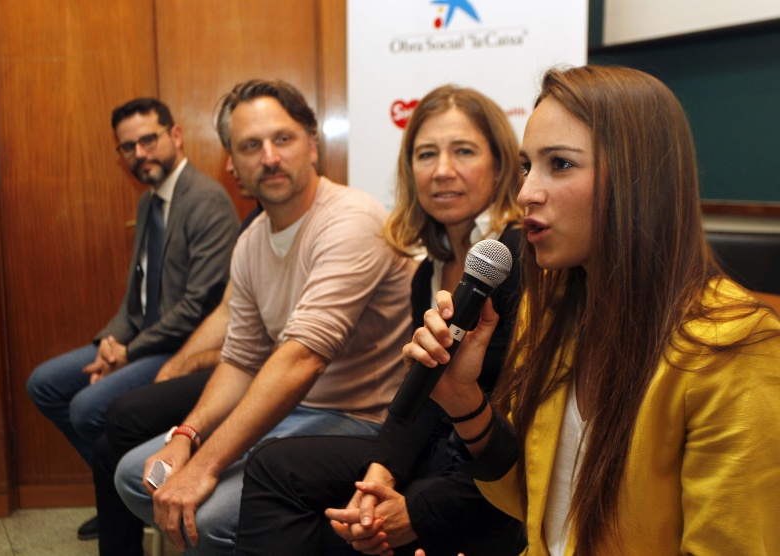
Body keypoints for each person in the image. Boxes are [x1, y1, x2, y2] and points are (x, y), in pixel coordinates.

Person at [406, 65, 780, 555]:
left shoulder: (733, 347)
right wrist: (462, 398)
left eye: (560, 164)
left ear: (639, 177)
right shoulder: (554, 313)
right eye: (526, 167)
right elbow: (535, 503)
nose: (526, 193)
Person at [114, 79, 414, 556]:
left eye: (283, 139)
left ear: (311, 146)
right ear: (232, 163)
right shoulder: (251, 241)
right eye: (251, 146)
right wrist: (187, 435)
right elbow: (240, 359)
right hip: (295, 412)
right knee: (136, 474)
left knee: (206, 514)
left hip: (363, 421)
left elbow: (303, 359)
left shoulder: (351, 219)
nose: (269, 157)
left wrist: (204, 467)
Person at [235, 85, 527, 556]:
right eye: (426, 154)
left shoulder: (519, 258)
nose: (442, 170)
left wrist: (417, 511)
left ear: (500, 164)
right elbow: (421, 396)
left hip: (494, 475)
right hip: (435, 452)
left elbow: (528, 440)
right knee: (276, 465)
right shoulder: (426, 272)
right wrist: (379, 475)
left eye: (463, 151)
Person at [26, 97, 239, 490]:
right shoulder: (148, 202)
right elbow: (136, 297)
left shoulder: (206, 200)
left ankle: (131, 493)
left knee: (86, 408)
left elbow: (197, 307)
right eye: (128, 147)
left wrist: (128, 352)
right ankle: (118, 493)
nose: (139, 154)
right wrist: (109, 344)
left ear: (176, 135)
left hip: (182, 346)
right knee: (44, 383)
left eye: (148, 140)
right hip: (140, 340)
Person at [90, 162, 263, 555]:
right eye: (243, 148)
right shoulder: (255, 228)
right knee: (107, 450)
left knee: (120, 414)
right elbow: (227, 314)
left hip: (267, 377)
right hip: (234, 363)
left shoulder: (330, 224)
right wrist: (174, 363)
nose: (233, 164)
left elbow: (281, 353)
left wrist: (188, 361)